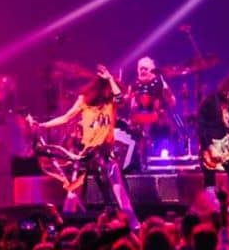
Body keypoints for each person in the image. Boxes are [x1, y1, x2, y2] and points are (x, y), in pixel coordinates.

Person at [34, 65, 139, 230]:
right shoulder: (84, 100)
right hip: (88, 152)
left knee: (119, 189)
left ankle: (132, 224)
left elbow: (120, 98)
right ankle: (67, 226)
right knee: (75, 189)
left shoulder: (111, 102)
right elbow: (66, 118)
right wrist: (43, 125)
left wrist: (110, 78)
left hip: (105, 152)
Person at [195, 76, 229, 215]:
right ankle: (210, 210)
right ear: (228, 90)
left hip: (225, 146)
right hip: (210, 146)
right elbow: (200, 126)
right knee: (210, 181)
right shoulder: (210, 101)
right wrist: (208, 146)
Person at [126, 57, 177, 170]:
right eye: (140, 69)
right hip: (139, 119)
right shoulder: (134, 84)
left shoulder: (160, 83)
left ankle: (165, 152)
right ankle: (138, 158)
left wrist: (166, 95)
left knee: (166, 123)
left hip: (157, 118)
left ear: (152, 70)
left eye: (145, 69)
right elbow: (128, 102)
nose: (142, 71)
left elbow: (172, 101)